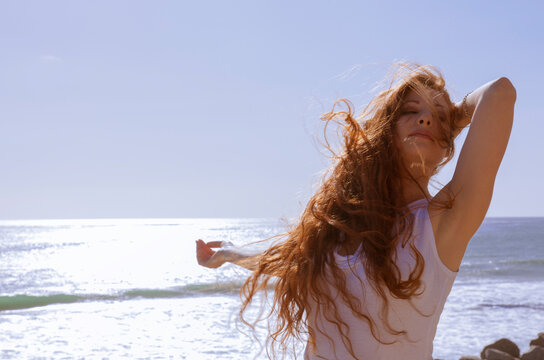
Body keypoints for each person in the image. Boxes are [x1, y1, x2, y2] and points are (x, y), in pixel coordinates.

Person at [195, 62, 516, 359]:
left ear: (448, 145)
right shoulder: (338, 229)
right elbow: (284, 259)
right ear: (387, 131)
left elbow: (499, 93)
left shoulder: (443, 223)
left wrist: (452, 120)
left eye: (437, 116)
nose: (425, 118)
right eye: (411, 111)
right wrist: (228, 253)